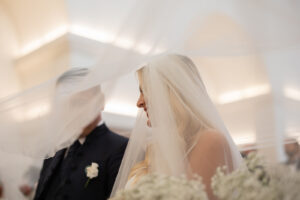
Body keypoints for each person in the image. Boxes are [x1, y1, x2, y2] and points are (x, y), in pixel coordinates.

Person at [111, 54, 242, 200]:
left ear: (170, 93)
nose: (139, 103)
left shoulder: (209, 140)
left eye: (144, 91)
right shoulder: (158, 146)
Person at [34, 70, 128, 200]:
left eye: (79, 103)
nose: (71, 111)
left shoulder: (121, 148)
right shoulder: (54, 148)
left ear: (101, 101)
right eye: (64, 104)